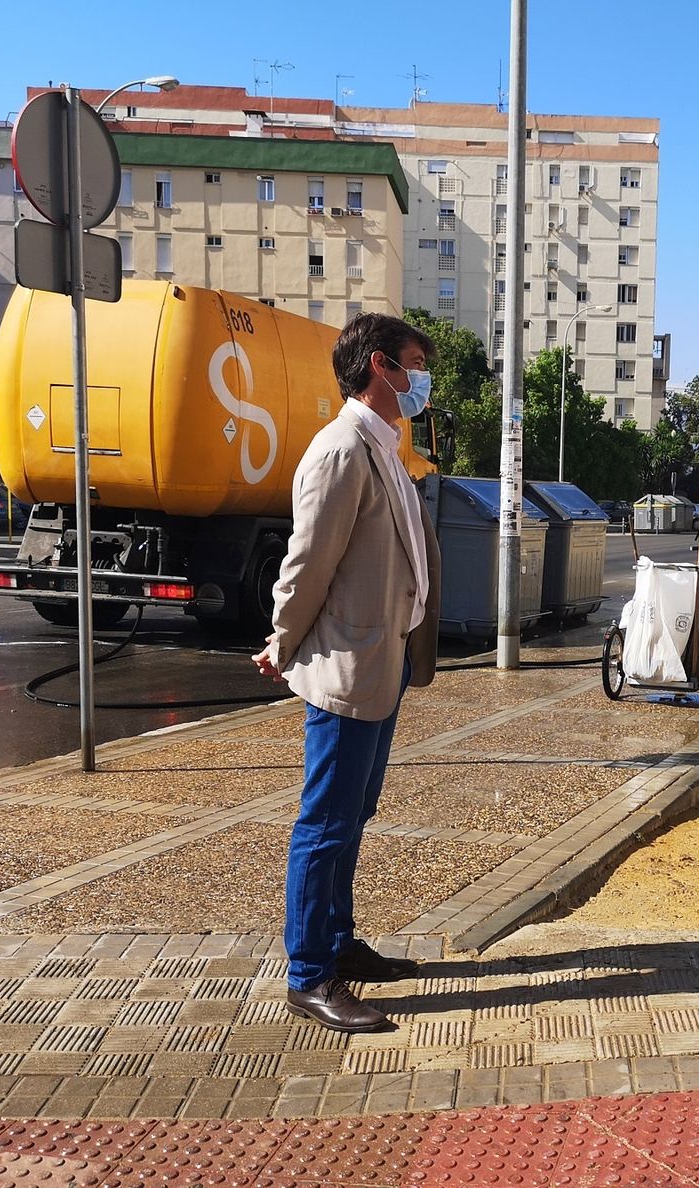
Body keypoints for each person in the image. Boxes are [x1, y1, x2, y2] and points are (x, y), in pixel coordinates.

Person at [252, 313, 443, 1035]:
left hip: (381, 661)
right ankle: (309, 975)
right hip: (345, 665)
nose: (422, 380)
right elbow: (306, 566)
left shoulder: (383, 447)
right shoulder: (340, 451)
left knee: (352, 815)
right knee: (325, 823)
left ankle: (338, 942)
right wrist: (280, 641)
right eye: (414, 364)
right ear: (378, 367)